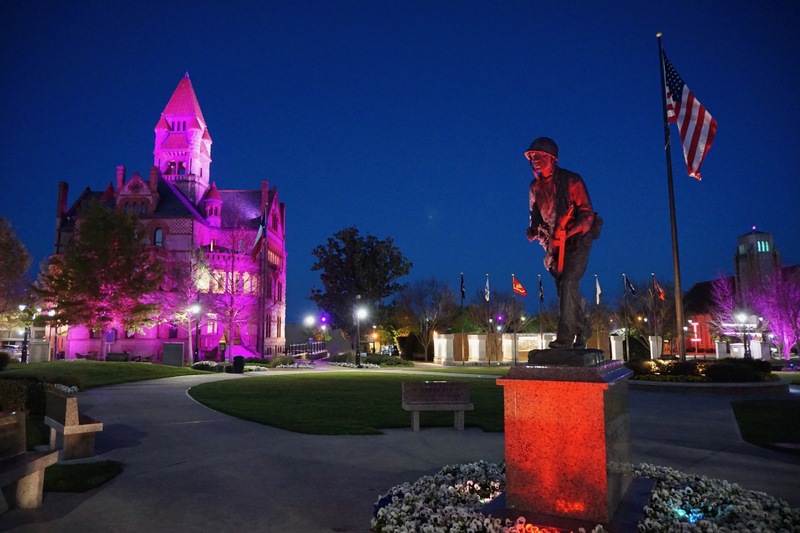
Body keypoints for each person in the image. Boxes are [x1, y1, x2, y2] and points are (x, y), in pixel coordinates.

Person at [525, 137, 599, 350]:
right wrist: (533, 230)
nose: (535, 159)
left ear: (552, 158)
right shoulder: (534, 188)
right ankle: (583, 328)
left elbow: (587, 214)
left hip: (577, 240)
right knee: (563, 290)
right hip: (554, 246)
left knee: (568, 283)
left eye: (540, 156)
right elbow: (535, 216)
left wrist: (568, 232)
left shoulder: (572, 180)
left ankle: (565, 338)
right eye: (532, 156)